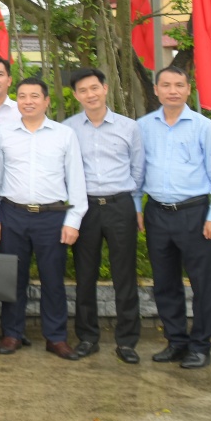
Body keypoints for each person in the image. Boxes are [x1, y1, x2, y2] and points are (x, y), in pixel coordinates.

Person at [140, 66, 211, 370]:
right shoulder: (143, 126)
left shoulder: (204, 127)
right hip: (157, 213)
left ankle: (201, 346)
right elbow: (137, 172)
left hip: (195, 213)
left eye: (179, 85)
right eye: (166, 85)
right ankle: (176, 342)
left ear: (188, 89)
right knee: (165, 283)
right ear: (156, 90)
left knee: (202, 283)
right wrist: (137, 207)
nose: (173, 91)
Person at [0, 77, 87, 361]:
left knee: (53, 279)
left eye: (35, 96)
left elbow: (76, 179)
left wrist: (73, 220)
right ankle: (12, 333)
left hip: (52, 217)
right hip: (12, 214)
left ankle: (56, 337)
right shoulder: (4, 133)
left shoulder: (64, 134)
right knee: (12, 278)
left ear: (46, 101)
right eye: (22, 96)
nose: (28, 101)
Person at [64, 68, 145, 364]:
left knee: (124, 275)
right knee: (85, 275)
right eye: (83, 90)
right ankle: (87, 338)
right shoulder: (69, 128)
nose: (90, 95)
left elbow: (138, 169)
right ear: (76, 95)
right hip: (84, 208)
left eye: (94, 88)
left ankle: (127, 342)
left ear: (105, 89)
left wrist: (136, 206)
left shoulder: (129, 127)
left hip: (120, 205)